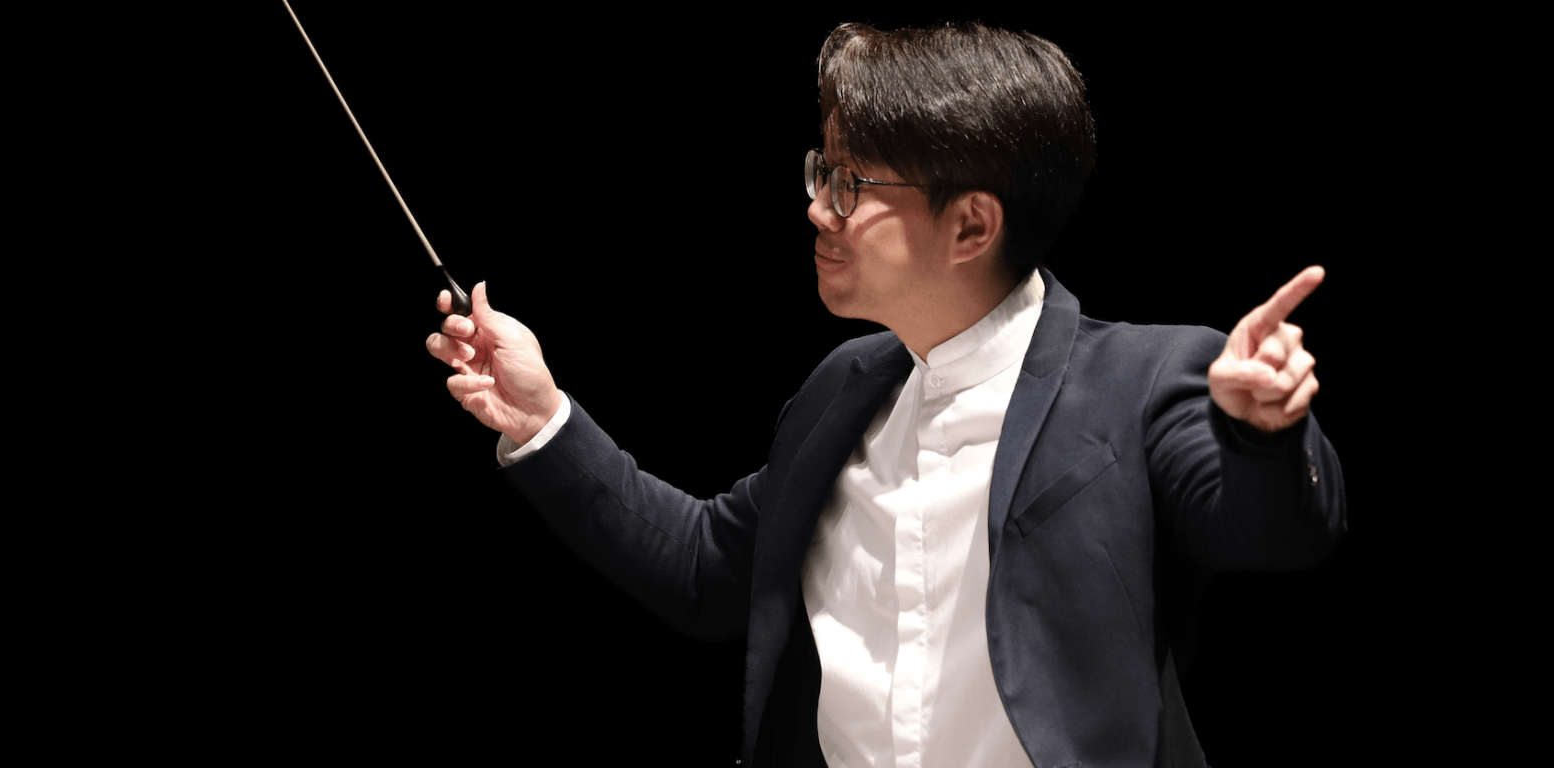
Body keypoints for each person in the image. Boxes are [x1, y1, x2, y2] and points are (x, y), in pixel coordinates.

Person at [425, 21, 1344, 768]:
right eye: (821, 171)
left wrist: (1264, 432)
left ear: (971, 225)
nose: (817, 207)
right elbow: (709, 570)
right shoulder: (844, 388)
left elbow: (1275, 532)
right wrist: (542, 419)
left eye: (850, 183)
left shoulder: (1141, 379)